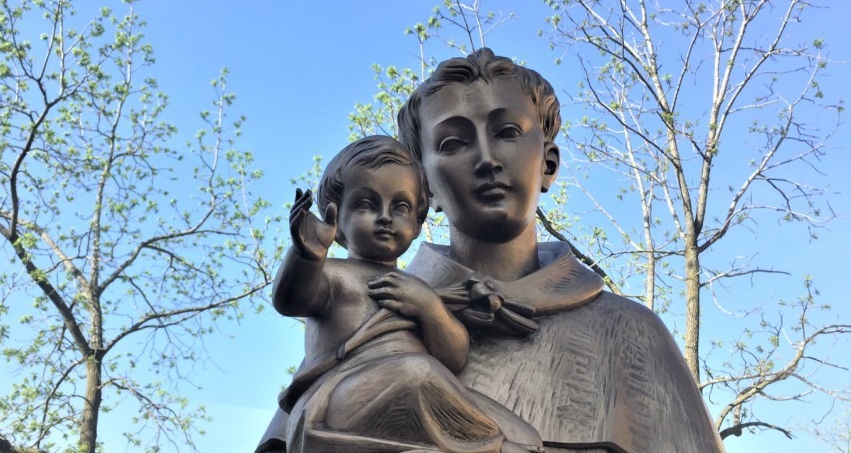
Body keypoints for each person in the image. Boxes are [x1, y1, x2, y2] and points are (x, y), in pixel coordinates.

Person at [396, 48, 727, 453]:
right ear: (425, 186)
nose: (486, 159)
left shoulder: (632, 335)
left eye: (508, 133)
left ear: (549, 164)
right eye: (452, 143)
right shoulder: (374, 322)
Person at [271, 135, 542, 453]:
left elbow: (453, 358)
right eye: (366, 204)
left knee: (525, 435)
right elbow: (290, 300)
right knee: (417, 372)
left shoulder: (419, 288)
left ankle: (498, 443)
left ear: (416, 224)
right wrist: (307, 256)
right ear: (338, 219)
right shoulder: (331, 274)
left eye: (400, 206)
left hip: (412, 390)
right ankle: (492, 448)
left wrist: (430, 308)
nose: (385, 216)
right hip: (342, 399)